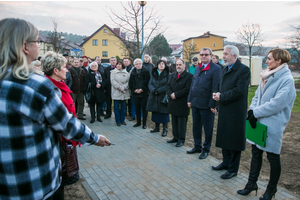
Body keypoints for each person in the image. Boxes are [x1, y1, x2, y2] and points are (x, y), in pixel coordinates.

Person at [0, 18, 111, 200]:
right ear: (25, 46)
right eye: (37, 41)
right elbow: (66, 124)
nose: (39, 45)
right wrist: (94, 138)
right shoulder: (36, 86)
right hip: (36, 185)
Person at [237, 48, 296, 200]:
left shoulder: (286, 80)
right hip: (258, 122)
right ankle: (251, 184)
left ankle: (271, 190)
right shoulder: (266, 75)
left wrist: (255, 113)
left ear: (279, 61)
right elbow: (257, 95)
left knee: (273, 157)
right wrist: (253, 110)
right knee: (255, 154)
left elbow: (277, 104)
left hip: (273, 125)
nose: (267, 61)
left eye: (269, 59)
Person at [42, 51, 81, 195]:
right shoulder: (52, 90)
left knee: (61, 182)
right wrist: (93, 138)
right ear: (55, 71)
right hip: (60, 140)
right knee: (59, 181)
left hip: (66, 137)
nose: (67, 69)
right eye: (64, 67)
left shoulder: (59, 84)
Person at [212, 45, 250, 179]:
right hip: (224, 109)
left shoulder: (243, 70)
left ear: (234, 55)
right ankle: (225, 162)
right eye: (223, 53)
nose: (223, 56)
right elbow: (219, 85)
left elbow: (239, 91)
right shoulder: (225, 68)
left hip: (235, 111)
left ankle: (233, 169)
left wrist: (221, 96)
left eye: (226, 54)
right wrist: (216, 95)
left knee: (234, 140)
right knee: (224, 138)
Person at [187, 48, 222, 159]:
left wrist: (213, 104)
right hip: (196, 102)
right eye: (201, 54)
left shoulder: (216, 69)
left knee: (208, 128)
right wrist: (189, 99)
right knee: (196, 127)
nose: (203, 56)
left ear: (211, 56)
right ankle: (197, 146)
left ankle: (206, 149)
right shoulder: (198, 68)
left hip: (207, 104)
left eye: (206, 55)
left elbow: (216, 87)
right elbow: (193, 85)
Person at [166, 59, 193, 147]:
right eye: (177, 64)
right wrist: (170, 94)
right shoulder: (173, 75)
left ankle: (181, 139)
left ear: (184, 65)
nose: (178, 66)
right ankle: (175, 137)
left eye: (180, 64)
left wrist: (176, 94)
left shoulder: (189, 76)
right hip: (173, 102)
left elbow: (187, 89)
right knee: (174, 121)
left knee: (181, 123)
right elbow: (168, 86)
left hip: (182, 103)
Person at [146, 60, 171, 137]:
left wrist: (159, 90)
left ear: (165, 65)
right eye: (159, 64)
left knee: (164, 113)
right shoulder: (153, 73)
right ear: (157, 65)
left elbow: (168, 84)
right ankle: (156, 127)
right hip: (154, 96)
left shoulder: (168, 74)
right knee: (155, 112)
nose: (161, 65)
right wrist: (153, 89)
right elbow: (150, 83)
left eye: (162, 64)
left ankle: (165, 129)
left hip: (163, 96)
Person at [129, 58, 151, 129]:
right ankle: (138, 122)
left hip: (144, 93)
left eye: (140, 63)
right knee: (137, 108)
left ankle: (144, 123)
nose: (138, 65)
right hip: (135, 94)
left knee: (144, 109)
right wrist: (134, 90)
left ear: (142, 64)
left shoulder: (146, 71)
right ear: (134, 65)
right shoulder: (133, 72)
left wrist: (142, 89)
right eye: (137, 64)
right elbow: (130, 83)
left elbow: (148, 82)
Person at [111, 61, 131, 126]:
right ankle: (118, 121)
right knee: (116, 108)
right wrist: (120, 87)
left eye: (119, 64)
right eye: (117, 64)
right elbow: (113, 81)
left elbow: (129, 82)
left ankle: (123, 120)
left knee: (123, 107)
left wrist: (124, 87)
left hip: (124, 93)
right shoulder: (113, 72)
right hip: (116, 92)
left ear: (122, 65)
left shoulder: (127, 73)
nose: (118, 66)